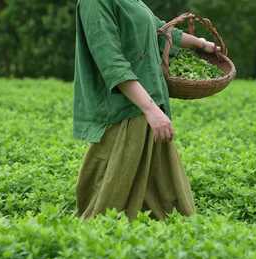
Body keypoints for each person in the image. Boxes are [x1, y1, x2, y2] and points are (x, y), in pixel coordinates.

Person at [73, 0, 220, 221]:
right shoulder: (94, 3)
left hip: (149, 105)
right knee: (110, 206)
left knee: (167, 206)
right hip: (124, 111)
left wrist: (200, 43)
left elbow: (160, 31)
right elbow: (111, 64)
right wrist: (151, 110)